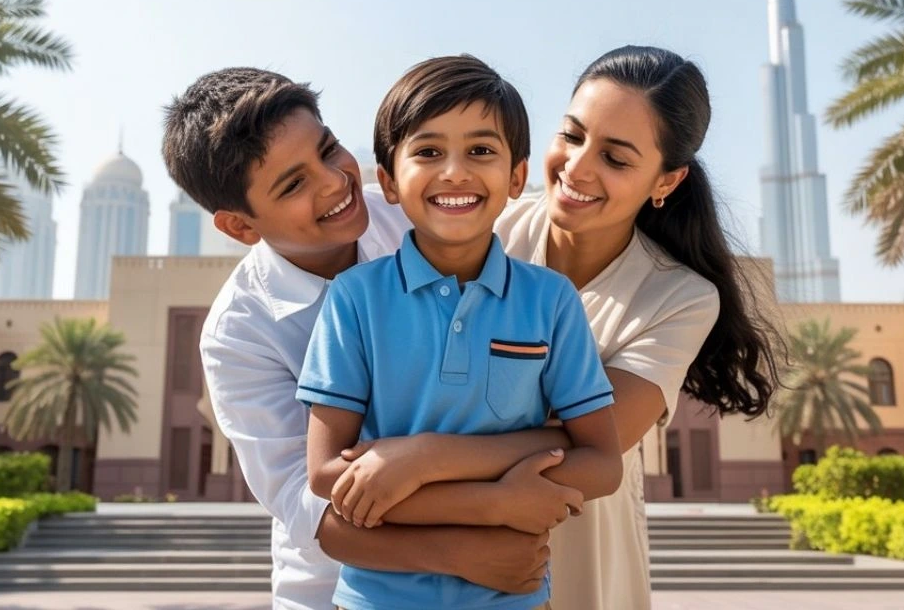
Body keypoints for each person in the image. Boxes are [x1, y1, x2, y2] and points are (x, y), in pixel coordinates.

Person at [324, 45, 782, 610]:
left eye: (615, 159)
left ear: (666, 180)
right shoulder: (479, 216)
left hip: (575, 533)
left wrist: (423, 457)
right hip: (425, 544)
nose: (577, 167)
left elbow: (593, 443)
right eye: (572, 135)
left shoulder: (679, 298)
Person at [167, 67, 569, 610]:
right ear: (241, 227)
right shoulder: (239, 335)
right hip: (335, 591)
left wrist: (428, 458)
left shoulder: (417, 212)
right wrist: (469, 539)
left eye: (328, 149)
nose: (334, 182)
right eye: (293, 184)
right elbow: (313, 506)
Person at [299, 55, 624, 610]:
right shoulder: (354, 298)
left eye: (481, 151)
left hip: (515, 598)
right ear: (389, 181)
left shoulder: (551, 300)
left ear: (517, 178)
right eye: (428, 152)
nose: (454, 172)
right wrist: (494, 504)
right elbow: (329, 476)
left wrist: (419, 470)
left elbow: (602, 461)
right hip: (373, 600)